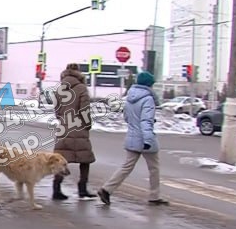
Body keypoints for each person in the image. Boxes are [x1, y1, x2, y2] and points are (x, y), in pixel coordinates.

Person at [97, 71, 169, 206]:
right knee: (154, 168)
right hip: (144, 139)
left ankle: (106, 189)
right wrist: (147, 140)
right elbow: (146, 121)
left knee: (126, 167)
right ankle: (154, 196)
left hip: (132, 137)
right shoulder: (148, 99)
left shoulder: (130, 97)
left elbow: (126, 117)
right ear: (149, 85)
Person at [52, 63, 96, 200]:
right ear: (78, 73)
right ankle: (82, 188)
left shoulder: (60, 89)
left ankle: (56, 188)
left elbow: (57, 111)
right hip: (79, 127)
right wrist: (87, 124)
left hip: (64, 127)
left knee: (61, 159)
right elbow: (85, 110)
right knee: (85, 159)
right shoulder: (82, 88)